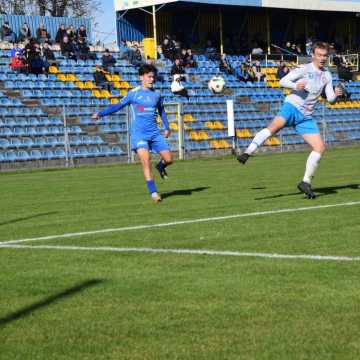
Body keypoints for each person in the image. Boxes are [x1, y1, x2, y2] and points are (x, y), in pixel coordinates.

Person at [236, 42, 343, 199]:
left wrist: (335, 94)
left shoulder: (327, 75)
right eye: (319, 55)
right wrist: (296, 85)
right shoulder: (304, 68)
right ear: (313, 55)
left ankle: (305, 182)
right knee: (274, 127)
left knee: (320, 147)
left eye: (325, 56)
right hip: (292, 106)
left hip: (306, 116)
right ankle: (247, 152)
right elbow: (282, 81)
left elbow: (331, 99)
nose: (322, 58)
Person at [91, 64, 172, 203]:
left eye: (153, 77)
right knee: (146, 162)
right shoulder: (133, 94)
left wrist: (167, 126)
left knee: (169, 159)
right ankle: (154, 193)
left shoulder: (157, 95)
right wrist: (101, 114)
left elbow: (162, 111)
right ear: (141, 77)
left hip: (154, 133)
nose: (152, 79)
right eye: (149, 77)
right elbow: (118, 106)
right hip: (139, 134)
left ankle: (161, 166)